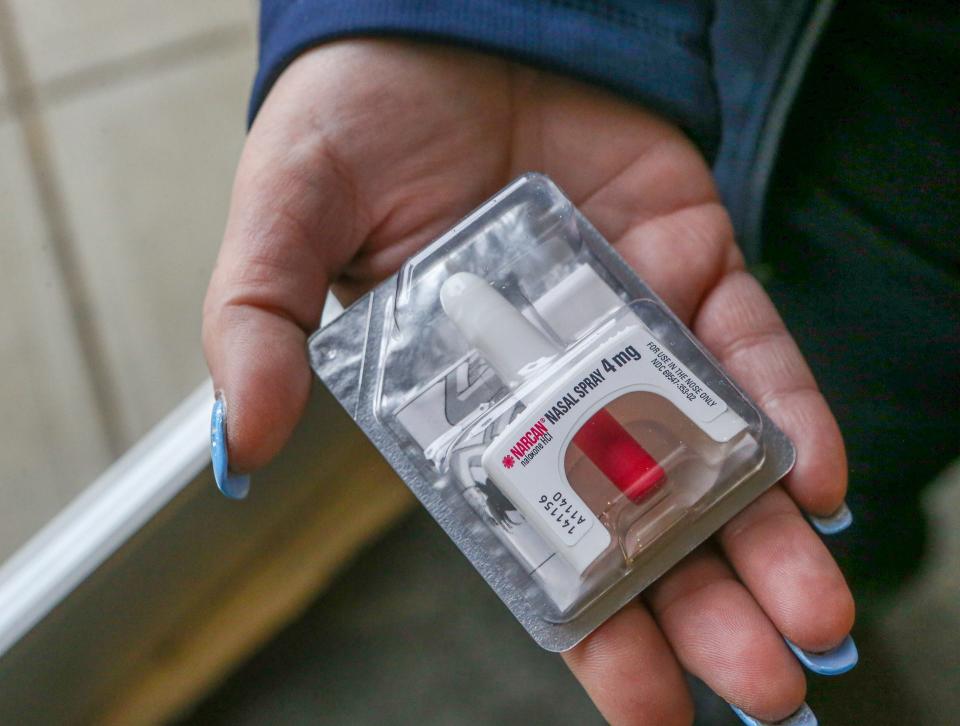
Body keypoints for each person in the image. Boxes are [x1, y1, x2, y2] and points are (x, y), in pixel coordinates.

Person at [201, 1, 958, 723]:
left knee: (845, 471)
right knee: (835, 460)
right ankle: (855, 576)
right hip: (823, 104)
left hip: (901, 217)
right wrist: (452, 21)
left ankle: (868, 570)